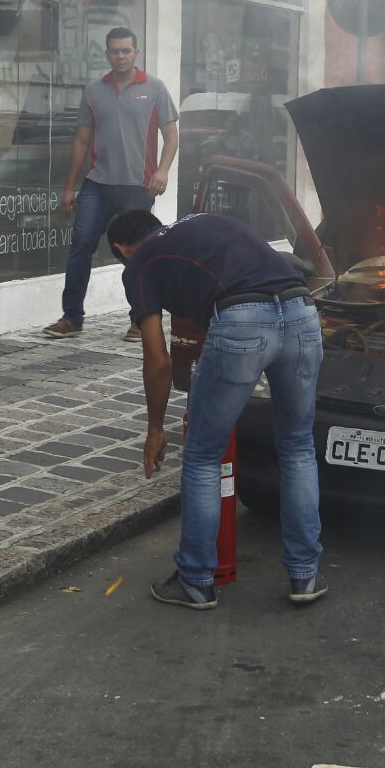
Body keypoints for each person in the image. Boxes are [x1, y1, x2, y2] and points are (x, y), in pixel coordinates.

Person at [107, 210, 326, 611]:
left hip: (242, 320)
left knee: (204, 455)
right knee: (297, 446)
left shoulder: (138, 264)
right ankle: (305, 574)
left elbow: (157, 361)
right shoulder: (202, 222)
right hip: (302, 313)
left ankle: (194, 579)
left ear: (122, 248)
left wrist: (155, 430)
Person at [44, 28, 178, 343]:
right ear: (107, 54)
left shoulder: (155, 88)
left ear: (136, 53)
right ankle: (72, 318)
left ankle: (139, 319)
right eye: (115, 51)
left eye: (126, 51)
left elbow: (171, 136)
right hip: (98, 183)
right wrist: (69, 187)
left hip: (138, 185)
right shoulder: (93, 91)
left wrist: (162, 171)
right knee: (80, 246)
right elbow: (81, 141)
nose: (120, 56)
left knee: (138, 253)